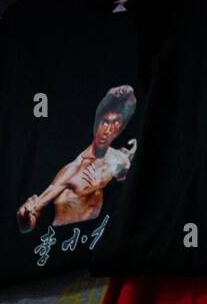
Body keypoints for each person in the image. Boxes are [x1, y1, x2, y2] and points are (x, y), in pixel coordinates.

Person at [17, 85, 138, 231]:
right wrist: (28, 214)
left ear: (121, 127)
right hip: (66, 234)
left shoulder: (118, 160)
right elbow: (30, 219)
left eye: (116, 123)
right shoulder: (74, 169)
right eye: (105, 122)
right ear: (97, 122)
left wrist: (131, 158)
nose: (107, 130)